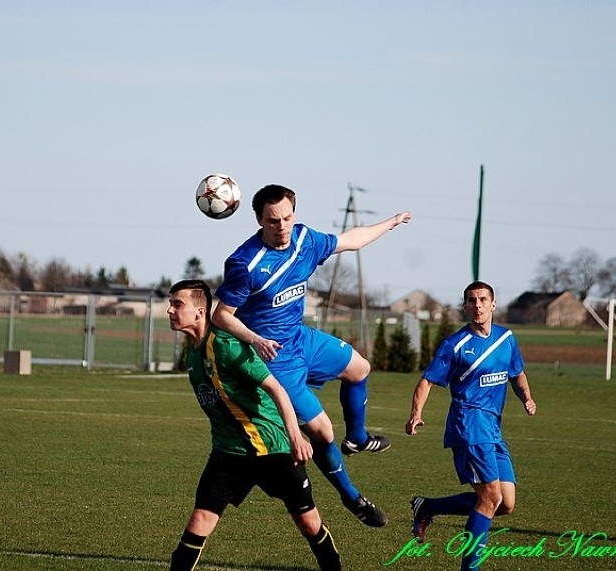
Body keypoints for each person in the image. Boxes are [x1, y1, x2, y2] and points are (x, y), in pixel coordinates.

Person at [212, 183, 411, 527]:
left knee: (360, 368)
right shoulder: (246, 263)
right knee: (322, 431)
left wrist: (389, 223)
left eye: (287, 217)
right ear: (259, 219)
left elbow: (351, 240)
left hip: (302, 339)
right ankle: (352, 498)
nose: (282, 226)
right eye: (273, 220)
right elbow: (221, 315)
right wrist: (254, 339)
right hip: (276, 359)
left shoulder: (305, 240)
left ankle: (359, 438)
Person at [167, 279, 342, 571]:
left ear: (200, 311)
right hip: (228, 454)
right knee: (199, 521)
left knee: (308, 523)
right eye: (170, 303)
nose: (170, 310)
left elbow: (277, 389)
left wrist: (296, 436)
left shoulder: (227, 346)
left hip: (272, 448)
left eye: (177, 304)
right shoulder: (194, 355)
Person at [404, 281, 536, 571]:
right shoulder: (455, 344)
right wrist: (416, 413)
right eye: (471, 300)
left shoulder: (506, 338)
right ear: (465, 307)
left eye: (482, 299)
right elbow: (427, 380)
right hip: (468, 424)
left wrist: (526, 397)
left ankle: (429, 507)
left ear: (493, 304)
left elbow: (518, 373)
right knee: (490, 497)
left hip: (493, 428)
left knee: (505, 504)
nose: (477, 305)